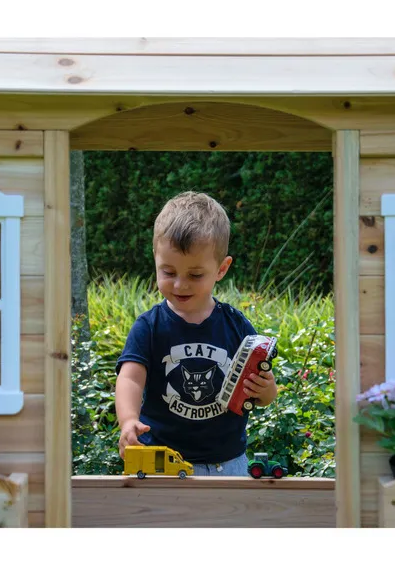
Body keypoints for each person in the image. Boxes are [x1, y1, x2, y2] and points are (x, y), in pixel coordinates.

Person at [114, 191, 278, 476]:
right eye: (168, 272)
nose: (180, 285)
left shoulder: (236, 325)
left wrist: (265, 391)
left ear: (221, 269)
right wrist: (128, 420)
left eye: (195, 275)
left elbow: (265, 388)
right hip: (163, 462)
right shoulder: (149, 326)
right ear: (155, 260)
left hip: (228, 463)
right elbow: (130, 377)